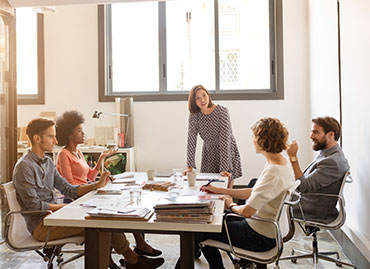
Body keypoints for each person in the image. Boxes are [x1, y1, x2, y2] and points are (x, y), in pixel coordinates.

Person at [13, 118, 164, 269]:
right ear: (37, 138)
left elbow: (69, 189)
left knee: (104, 217)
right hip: (42, 226)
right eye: (51, 136)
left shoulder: (47, 162)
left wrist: (95, 185)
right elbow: (34, 205)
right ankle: (126, 260)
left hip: (55, 218)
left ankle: (129, 259)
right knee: (99, 223)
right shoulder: (25, 167)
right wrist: (68, 209)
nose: (56, 140)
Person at [177, 117, 295, 268]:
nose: (252, 139)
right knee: (211, 219)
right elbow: (255, 191)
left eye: (254, 136)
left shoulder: (274, 171)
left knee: (199, 229)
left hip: (258, 237)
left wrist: (230, 204)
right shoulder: (280, 161)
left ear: (262, 140)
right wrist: (220, 190)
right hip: (265, 229)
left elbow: (246, 211)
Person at [55, 111, 162, 266]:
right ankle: (131, 257)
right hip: (77, 200)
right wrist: (94, 187)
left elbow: (90, 176)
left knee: (124, 205)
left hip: (89, 193)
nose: (83, 133)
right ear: (69, 134)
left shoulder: (77, 152)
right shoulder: (63, 155)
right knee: (110, 215)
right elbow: (71, 187)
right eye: (79, 130)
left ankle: (138, 246)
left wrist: (101, 160)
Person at [287, 116, 350, 223]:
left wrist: (293, 158)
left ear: (331, 134)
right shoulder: (327, 153)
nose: (311, 136)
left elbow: (303, 187)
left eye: (316, 132)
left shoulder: (332, 162)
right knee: (256, 184)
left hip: (310, 209)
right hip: (305, 200)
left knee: (264, 198)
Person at [186, 85, 242, 187]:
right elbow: (191, 140)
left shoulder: (222, 111)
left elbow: (225, 140)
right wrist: (190, 166)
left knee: (226, 190)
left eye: (204, 95)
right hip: (209, 153)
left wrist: (224, 168)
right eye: (197, 98)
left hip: (226, 151)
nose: (202, 100)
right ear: (193, 101)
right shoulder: (194, 115)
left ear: (208, 95)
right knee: (208, 188)